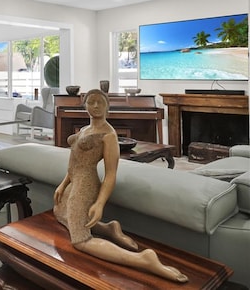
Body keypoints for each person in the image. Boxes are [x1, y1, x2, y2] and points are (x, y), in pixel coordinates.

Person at [53, 89, 188, 283]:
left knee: (80, 240)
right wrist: (63, 183)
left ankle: (143, 260)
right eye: (91, 102)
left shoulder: (108, 135)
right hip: (73, 180)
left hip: (86, 184)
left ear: (108, 106)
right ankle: (109, 229)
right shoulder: (84, 130)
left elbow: (110, 174)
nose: (96, 106)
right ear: (85, 105)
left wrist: (99, 203)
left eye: (100, 102)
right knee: (60, 213)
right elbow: (75, 163)